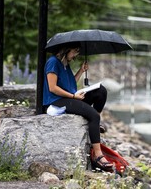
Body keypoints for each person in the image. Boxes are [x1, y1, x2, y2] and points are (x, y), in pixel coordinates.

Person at [43, 44, 113, 172]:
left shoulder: (65, 64)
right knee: (93, 116)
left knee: (101, 91)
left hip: (69, 97)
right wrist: (73, 96)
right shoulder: (53, 62)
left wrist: (81, 71)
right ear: (66, 49)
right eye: (75, 51)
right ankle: (98, 156)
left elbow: (70, 84)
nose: (76, 55)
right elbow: (52, 88)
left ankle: (95, 126)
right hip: (56, 101)